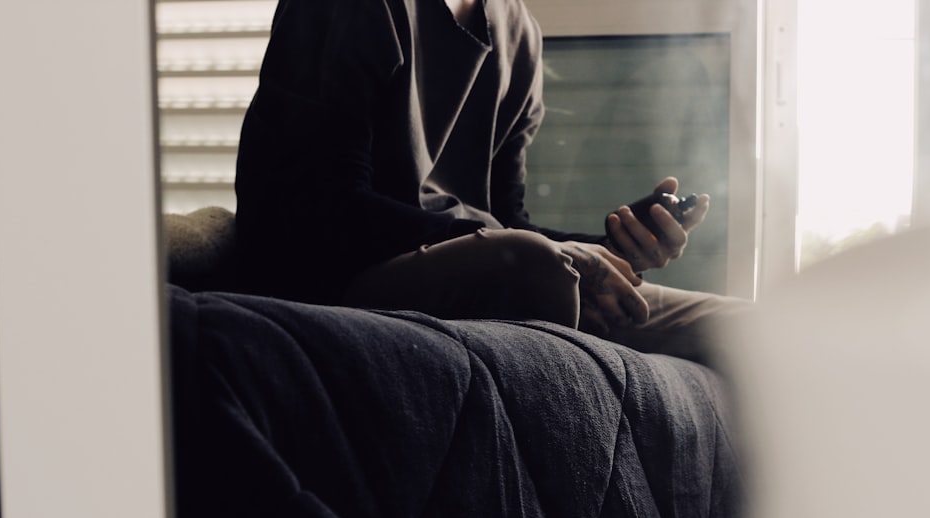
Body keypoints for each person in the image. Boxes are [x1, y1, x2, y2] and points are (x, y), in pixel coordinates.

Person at [234, 0, 746, 360]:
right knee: (536, 266)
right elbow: (324, 209)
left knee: (740, 328)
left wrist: (613, 247)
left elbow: (506, 219)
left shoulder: (518, 30)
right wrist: (557, 259)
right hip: (343, 275)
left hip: (496, 265)